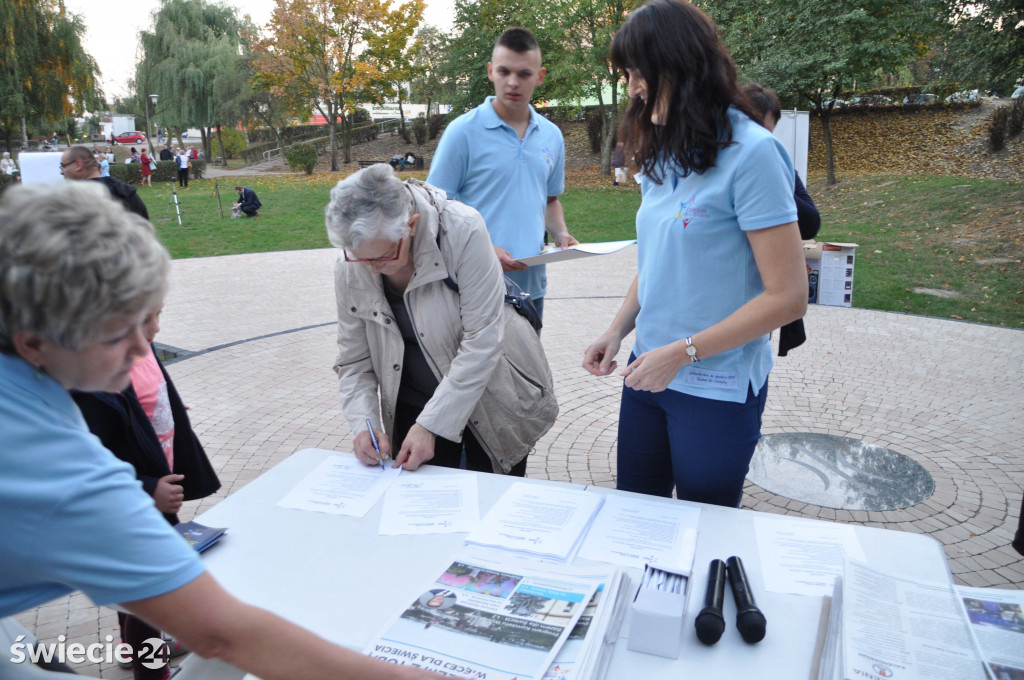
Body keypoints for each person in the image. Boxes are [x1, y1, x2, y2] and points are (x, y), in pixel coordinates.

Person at [0, 181, 443, 680]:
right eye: (117, 331)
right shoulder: (60, 474)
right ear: (35, 341)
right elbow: (224, 634)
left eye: (149, 316)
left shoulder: (28, 377)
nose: (148, 341)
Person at [582, 0, 807, 508]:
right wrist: (617, 331)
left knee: (704, 526)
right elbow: (657, 261)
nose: (632, 86)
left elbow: (789, 297)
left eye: (638, 71)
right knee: (637, 512)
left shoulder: (753, 154)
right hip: (648, 371)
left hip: (716, 385)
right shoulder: (664, 150)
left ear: (678, 64)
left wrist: (681, 353)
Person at [328, 164, 558, 475]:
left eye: (381, 257)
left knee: (492, 503)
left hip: (492, 395)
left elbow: (483, 341)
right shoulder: (351, 265)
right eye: (359, 257)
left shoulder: (463, 229)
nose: (370, 269)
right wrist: (364, 426)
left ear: (410, 226)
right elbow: (354, 361)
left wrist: (432, 425)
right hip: (414, 402)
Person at [72, 302, 220, 679]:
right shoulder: (88, 374)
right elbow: (86, 455)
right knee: (149, 583)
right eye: (143, 320)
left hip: (158, 483)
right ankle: (150, 670)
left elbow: (152, 390)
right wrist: (146, 488)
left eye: (159, 314)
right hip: (130, 500)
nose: (154, 330)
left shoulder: (138, 343)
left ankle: (136, 642)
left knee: (142, 583)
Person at [427, 27, 578, 323]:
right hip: (473, 286)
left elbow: (549, 200)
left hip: (531, 289)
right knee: (476, 370)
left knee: (525, 371)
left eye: (524, 74)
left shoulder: (552, 135)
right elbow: (433, 206)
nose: (513, 82)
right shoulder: (463, 132)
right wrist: (483, 248)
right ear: (490, 72)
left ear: (540, 76)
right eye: (504, 71)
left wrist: (560, 232)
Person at [742, 82, 821, 356]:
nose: (763, 138)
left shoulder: (778, 165)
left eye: (768, 132)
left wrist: (773, 181)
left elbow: (811, 223)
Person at [60, 145, 148, 219]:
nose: (62, 172)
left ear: (78, 165)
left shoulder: (72, 201)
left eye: (63, 166)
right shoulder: (128, 194)